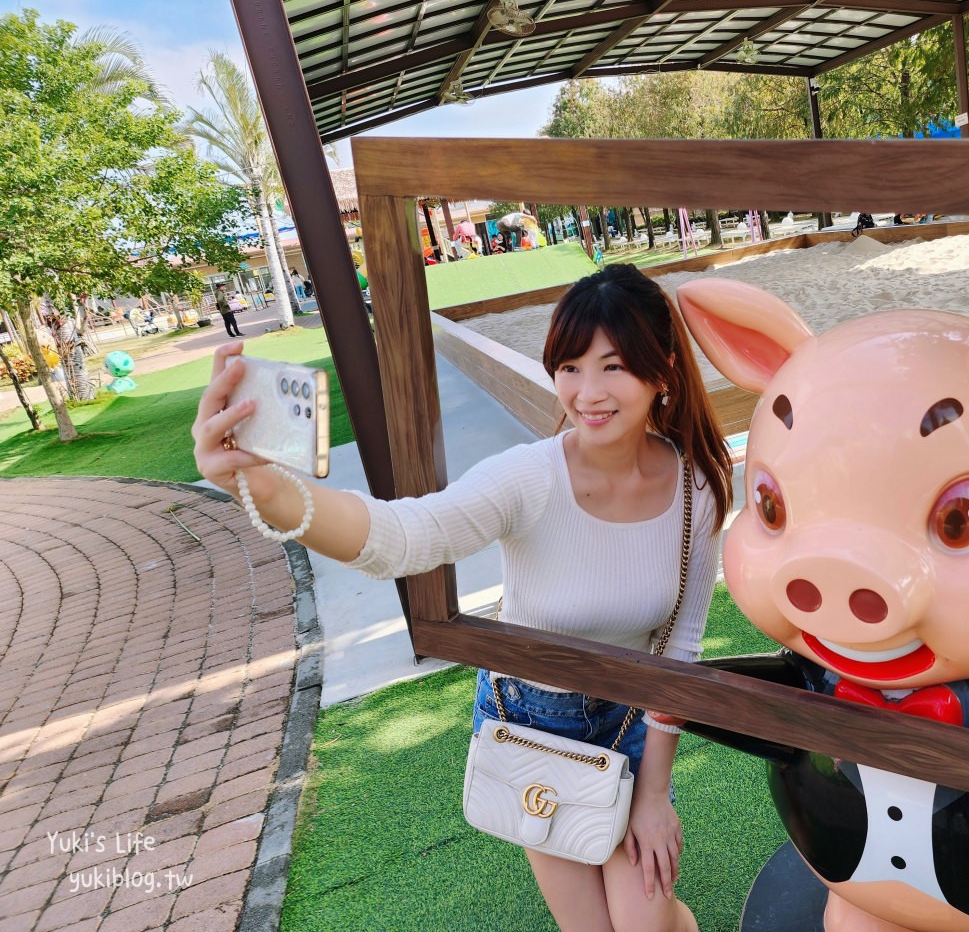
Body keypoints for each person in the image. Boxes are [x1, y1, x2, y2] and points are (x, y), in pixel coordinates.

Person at [193, 264, 732, 932]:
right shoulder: (528, 478)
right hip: (535, 722)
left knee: (647, 922)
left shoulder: (698, 488)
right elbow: (406, 536)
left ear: (663, 371)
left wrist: (654, 793)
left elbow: (679, 647)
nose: (586, 392)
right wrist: (272, 493)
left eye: (613, 366)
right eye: (568, 366)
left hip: (633, 724)